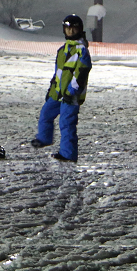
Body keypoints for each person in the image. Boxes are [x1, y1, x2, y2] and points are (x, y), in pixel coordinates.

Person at [32, 15, 92, 162]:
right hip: (58, 93)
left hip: (71, 96)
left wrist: (72, 91)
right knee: (46, 113)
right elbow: (58, 74)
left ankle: (68, 154)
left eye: (73, 29)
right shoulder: (62, 50)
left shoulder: (81, 51)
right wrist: (51, 90)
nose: (70, 31)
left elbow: (81, 74)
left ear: (79, 30)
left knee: (66, 124)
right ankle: (44, 138)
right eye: (67, 28)